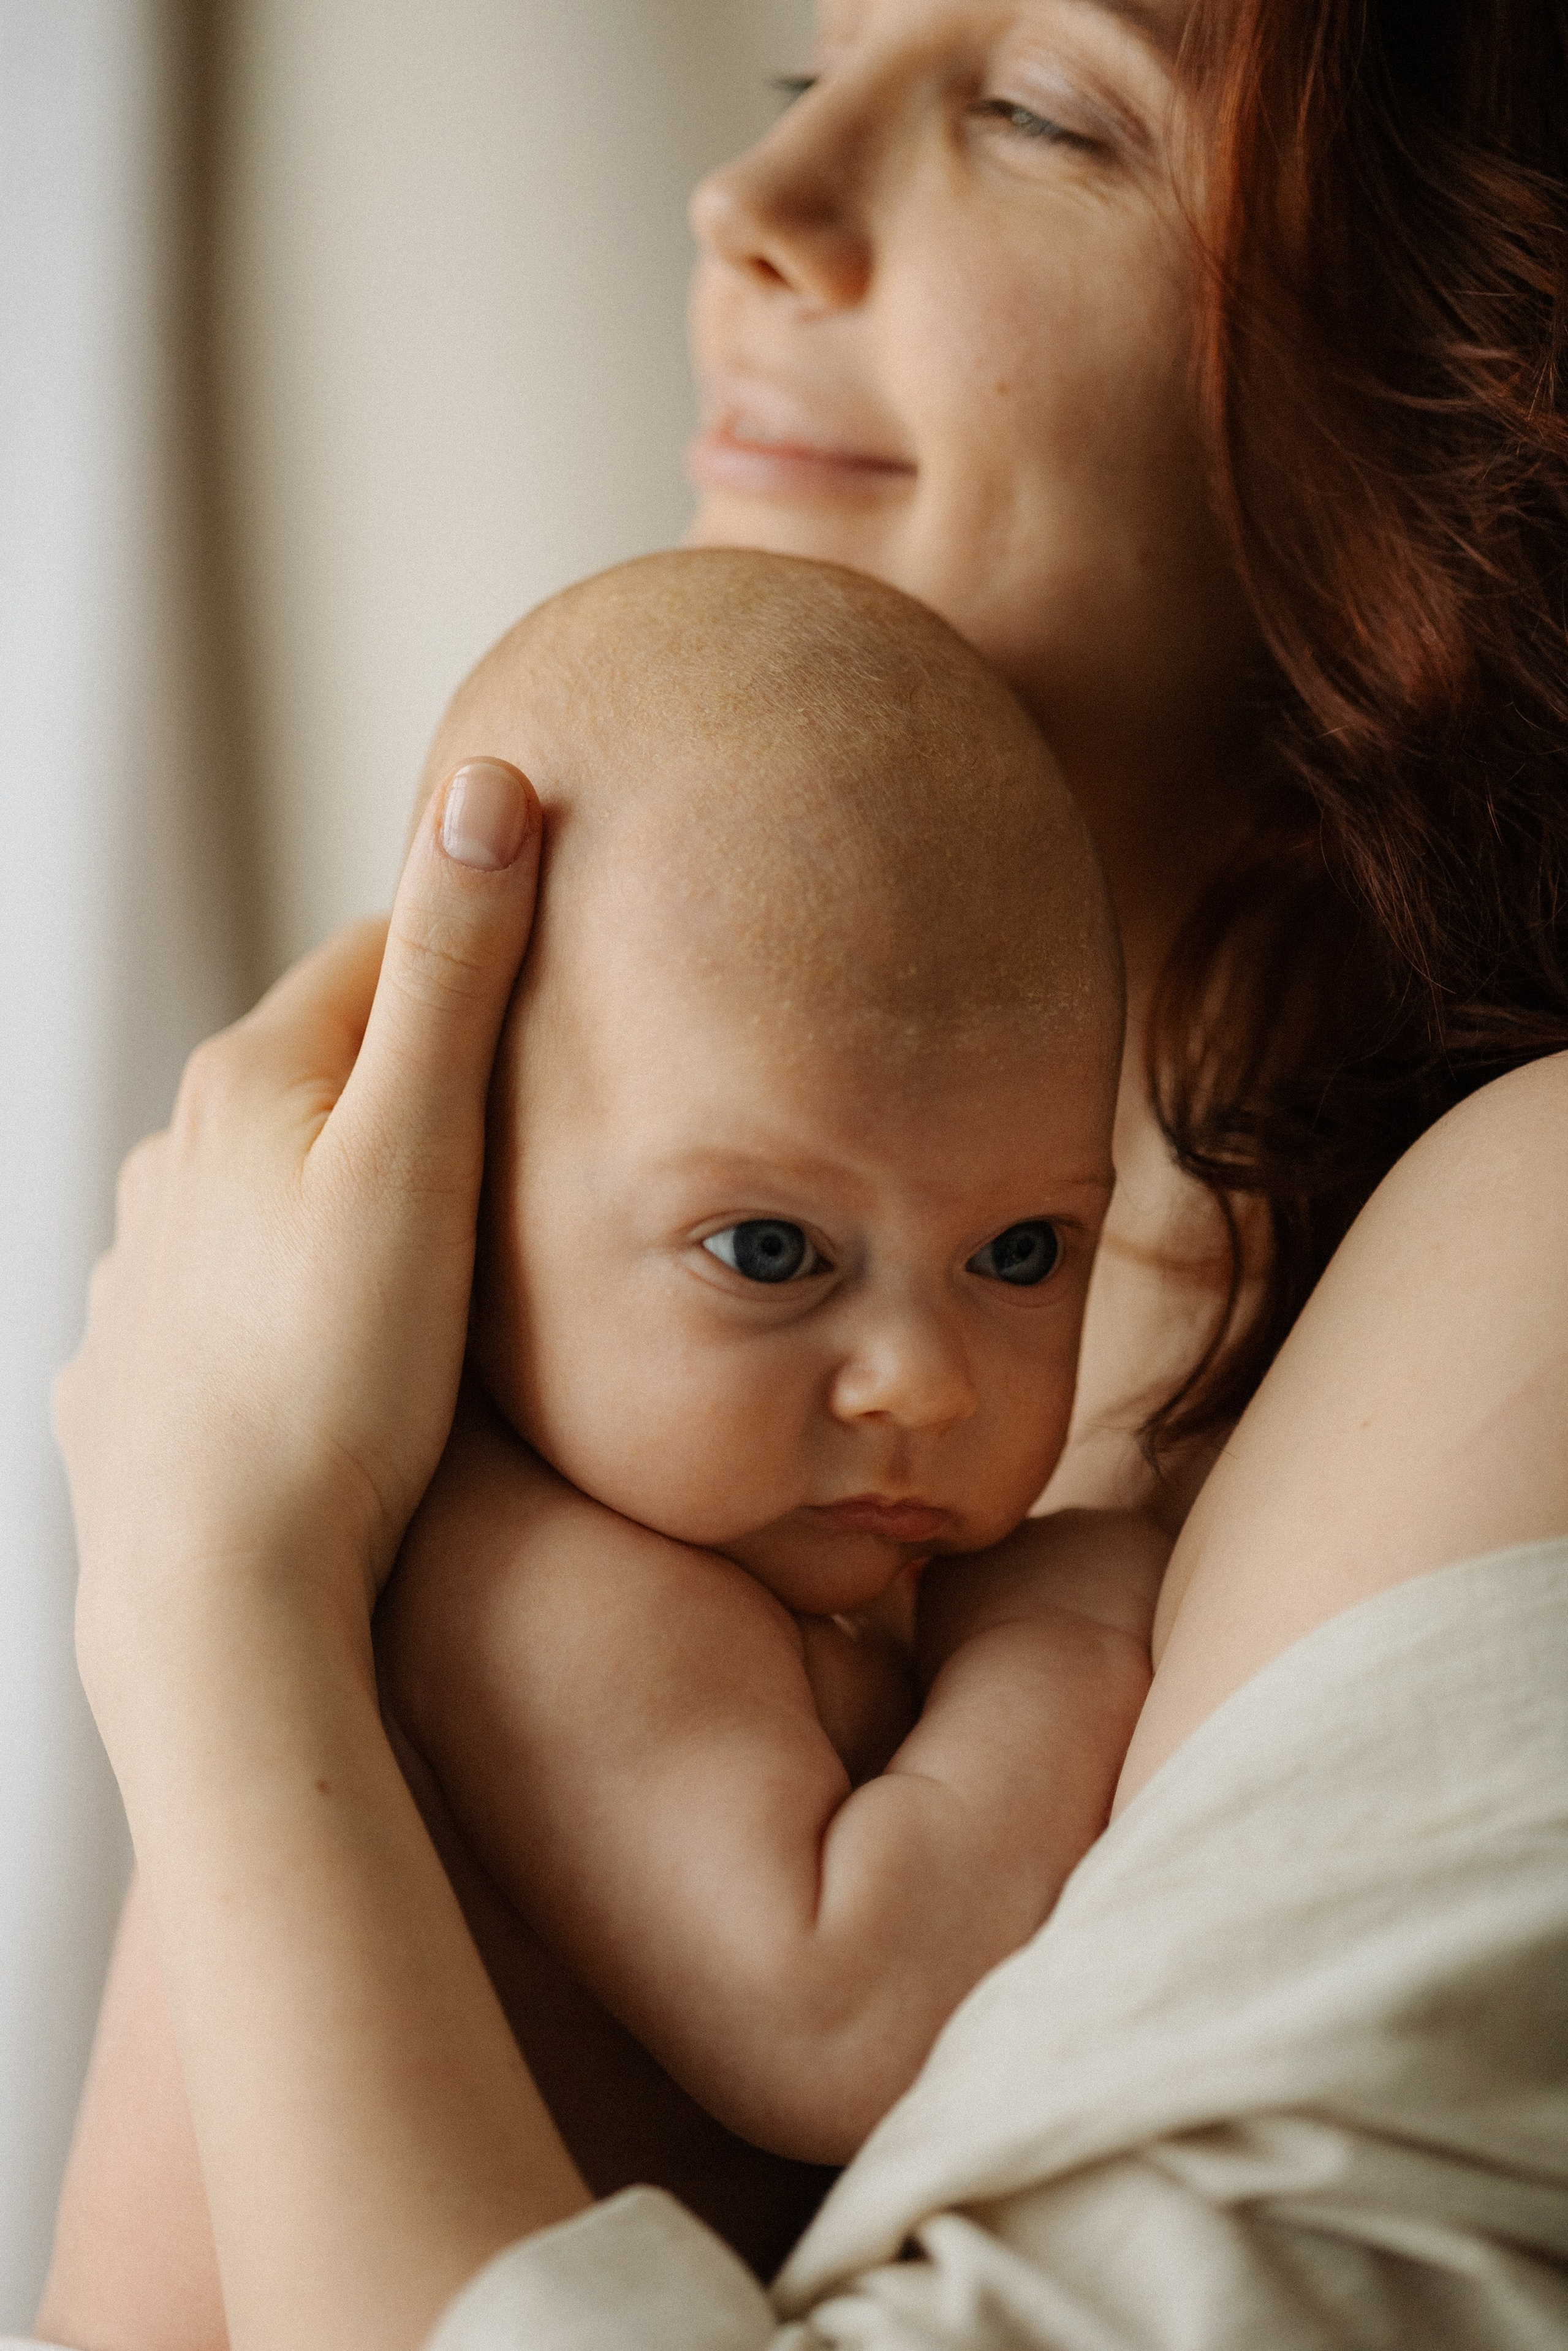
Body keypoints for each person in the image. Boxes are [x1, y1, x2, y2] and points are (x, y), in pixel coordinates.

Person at [32, 0, 1568, 2347]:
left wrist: (204, 1599)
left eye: (1042, 111)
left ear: (1470, 341)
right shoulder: (565, 1492)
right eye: (801, 74)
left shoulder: (1514, 1248)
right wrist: (201, 1578)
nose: (749, 206)